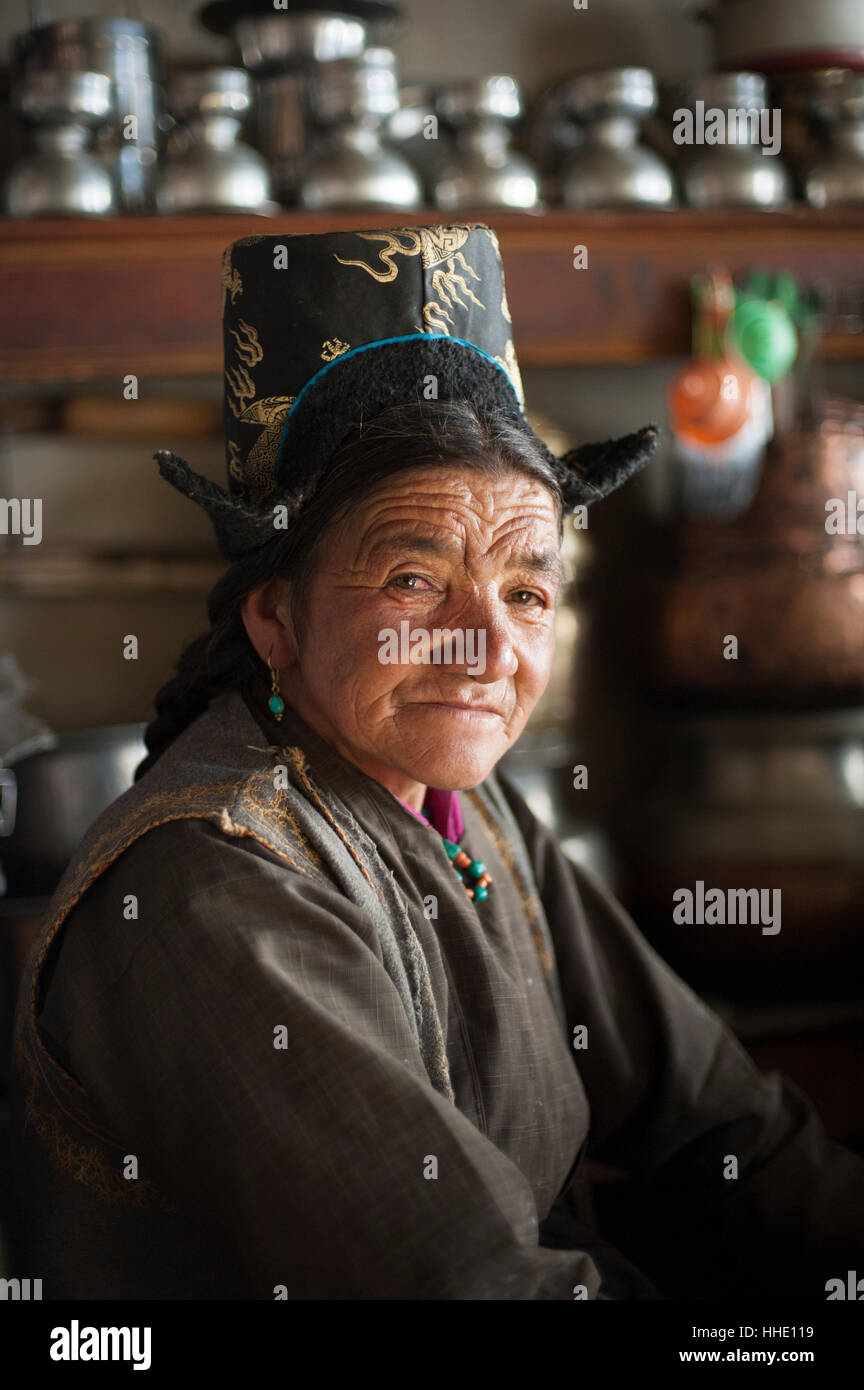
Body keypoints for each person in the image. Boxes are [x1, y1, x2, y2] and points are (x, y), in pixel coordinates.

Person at [10, 225, 864, 1300]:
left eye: (526, 591)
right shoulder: (214, 886)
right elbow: (470, 1287)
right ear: (277, 615)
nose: (486, 646)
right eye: (414, 580)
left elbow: (722, 1123)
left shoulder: (471, 806)